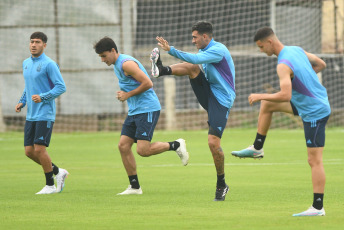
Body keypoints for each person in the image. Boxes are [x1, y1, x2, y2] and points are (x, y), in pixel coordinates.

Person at [231, 27, 331, 216]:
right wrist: (305, 79)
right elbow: (321, 64)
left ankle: (318, 208)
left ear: (270, 42)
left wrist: (260, 95)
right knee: (268, 105)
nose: (261, 51)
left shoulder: (282, 64)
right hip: (310, 104)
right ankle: (257, 147)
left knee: (314, 160)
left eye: (261, 47)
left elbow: (285, 95)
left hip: (314, 112)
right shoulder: (296, 50)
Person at [150, 21, 235, 201]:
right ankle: (161, 69)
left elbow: (194, 59)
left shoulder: (218, 50)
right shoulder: (205, 50)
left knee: (213, 143)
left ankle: (221, 183)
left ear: (205, 36)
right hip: (209, 93)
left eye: (195, 37)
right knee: (192, 68)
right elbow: (193, 62)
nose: (193, 40)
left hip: (221, 101)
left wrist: (170, 49)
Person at [93, 37, 189, 195]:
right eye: (100, 57)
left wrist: (127, 94)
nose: (103, 60)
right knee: (123, 146)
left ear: (113, 51)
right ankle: (135, 187)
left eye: (104, 56)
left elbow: (148, 83)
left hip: (147, 109)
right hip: (135, 110)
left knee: (143, 150)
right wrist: (126, 95)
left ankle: (175, 145)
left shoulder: (126, 64)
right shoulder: (117, 64)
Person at [15, 32, 69, 195]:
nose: (33, 45)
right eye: (31, 42)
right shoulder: (25, 63)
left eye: (37, 42)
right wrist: (22, 101)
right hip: (31, 114)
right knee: (29, 152)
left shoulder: (49, 64)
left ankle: (50, 185)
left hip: (45, 113)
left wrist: (43, 97)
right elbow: (29, 85)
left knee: (39, 149)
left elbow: (61, 87)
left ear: (44, 45)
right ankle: (58, 171)